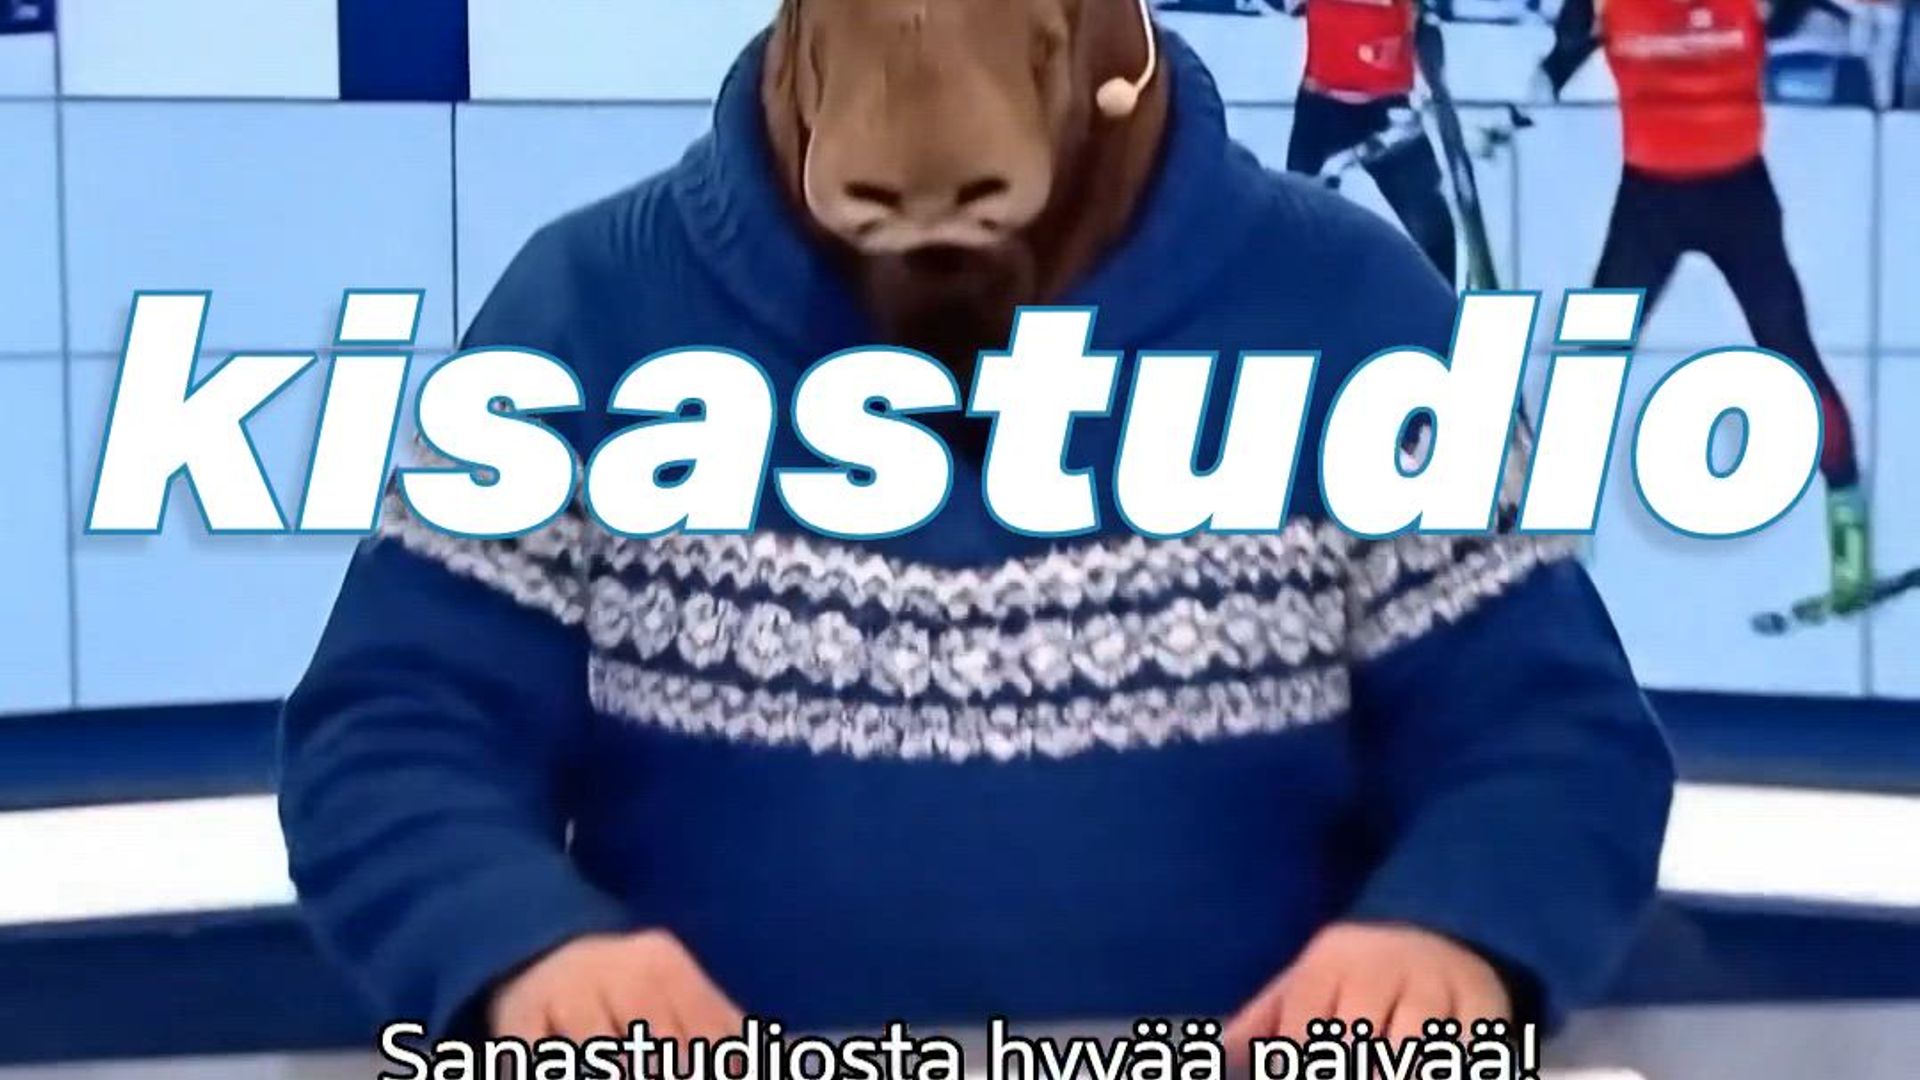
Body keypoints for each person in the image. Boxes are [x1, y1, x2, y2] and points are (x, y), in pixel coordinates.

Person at [280, 0, 1672, 1051]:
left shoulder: (1357, 312)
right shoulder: (588, 310)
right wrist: (528, 950)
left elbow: (1549, 737)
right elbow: (396, 731)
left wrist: (1449, 933)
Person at [1537, 0, 1873, 610]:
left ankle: (1852, 546)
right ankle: (1550, 545)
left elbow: (1551, 72)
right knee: (1590, 362)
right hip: (1655, 202)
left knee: (1792, 357)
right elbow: (1551, 71)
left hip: (1732, 196)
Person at [1280, 0, 1461, 285]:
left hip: (1387, 109)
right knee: (1296, 233)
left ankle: (1445, 308)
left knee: (1435, 237)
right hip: (1323, 108)